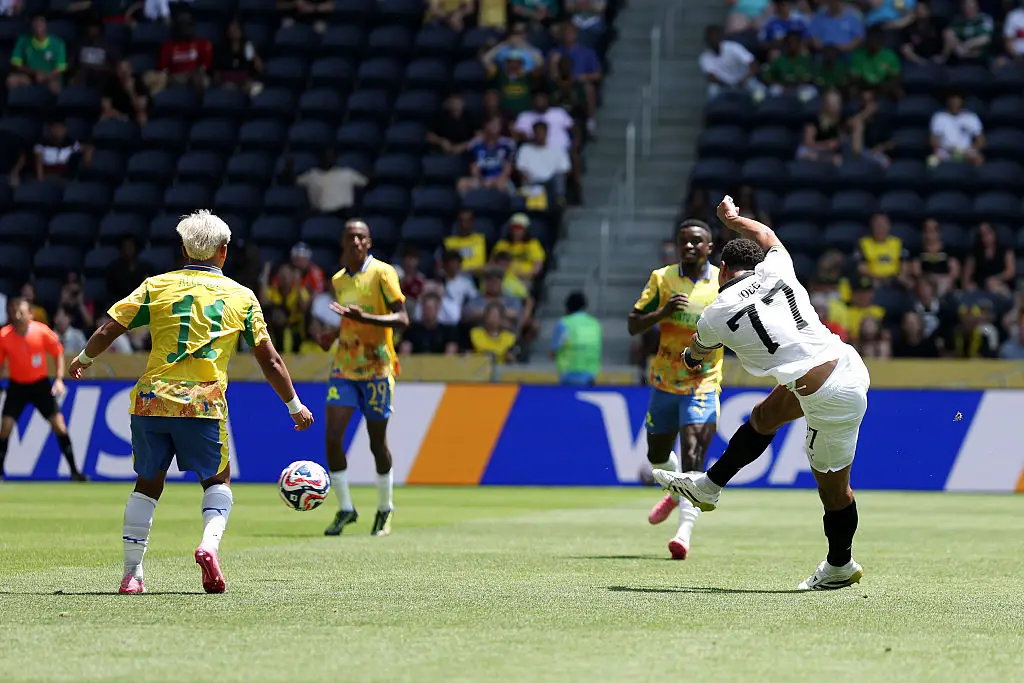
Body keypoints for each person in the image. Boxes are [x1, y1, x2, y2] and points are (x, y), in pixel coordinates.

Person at [67, 210, 314, 594]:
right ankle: (208, 545)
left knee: (147, 485)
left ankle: (132, 574)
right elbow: (270, 358)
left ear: (183, 249)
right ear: (223, 253)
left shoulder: (156, 285)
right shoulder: (241, 295)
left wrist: (83, 360)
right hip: (203, 404)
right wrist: (294, 406)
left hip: (151, 401)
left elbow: (109, 328)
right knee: (218, 480)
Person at [652, 195, 869, 591]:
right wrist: (733, 219)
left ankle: (840, 564)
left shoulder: (714, 313)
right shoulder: (777, 266)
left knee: (834, 490)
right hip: (845, 364)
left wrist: (690, 355)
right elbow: (766, 233)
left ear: (722, 270)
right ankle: (710, 486)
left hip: (828, 395)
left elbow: (696, 355)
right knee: (764, 417)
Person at [627, 219, 721, 561]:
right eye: (684, 241)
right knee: (656, 459)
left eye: (697, 241)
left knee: (695, 456)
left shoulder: (723, 283)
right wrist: (663, 312)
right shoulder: (662, 278)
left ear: (710, 247)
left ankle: (683, 535)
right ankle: (675, 491)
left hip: (703, 383)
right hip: (665, 382)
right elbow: (632, 324)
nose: (690, 246)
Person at [318, 220, 408, 538]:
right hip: (344, 366)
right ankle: (345, 508)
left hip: (377, 369)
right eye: (350, 236)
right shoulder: (338, 280)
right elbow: (347, 321)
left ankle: (385, 509)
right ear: (343, 242)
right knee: (331, 438)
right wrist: (331, 336)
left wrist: (364, 318)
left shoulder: (383, 272)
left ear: (368, 242)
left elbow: (403, 319)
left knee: (376, 443)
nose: (355, 241)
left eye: (361, 236)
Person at [0, 298, 85, 482]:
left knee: (59, 426)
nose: (17, 314)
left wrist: (59, 380)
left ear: (30, 313)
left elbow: (57, 352)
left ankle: (74, 472)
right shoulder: (4, 335)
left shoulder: (42, 332)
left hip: (40, 386)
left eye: (21, 310)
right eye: (13, 310)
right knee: (5, 428)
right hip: (16, 386)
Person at [551, 291, 601, 385]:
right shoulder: (594, 324)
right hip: (590, 374)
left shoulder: (564, 323)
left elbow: (554, 351)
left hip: (568, 373)